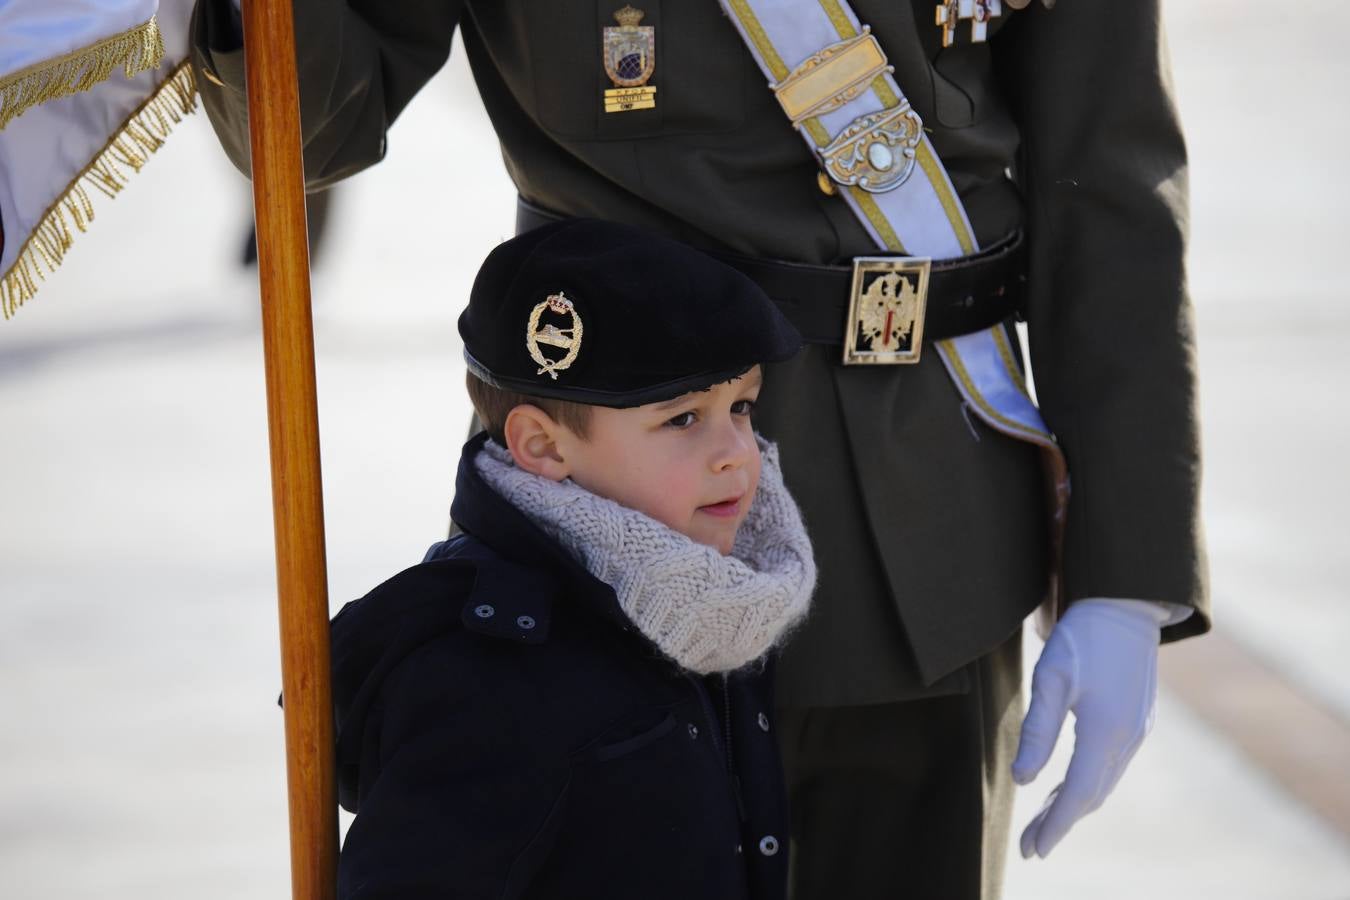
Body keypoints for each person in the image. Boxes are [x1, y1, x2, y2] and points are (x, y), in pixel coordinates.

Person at [191, 2, 1210, 896]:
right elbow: (310, 121)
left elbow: (1107, 167)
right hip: (608, 537)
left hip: (927, 534)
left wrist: (1127, 568)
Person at [330, 217, 815, 899]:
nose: (737, 449)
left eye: (742, 406)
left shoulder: (709, 603)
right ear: (546, 448)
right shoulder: (487, 676)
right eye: (682, 418)